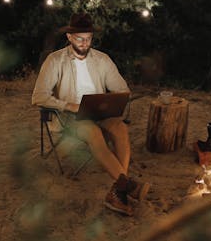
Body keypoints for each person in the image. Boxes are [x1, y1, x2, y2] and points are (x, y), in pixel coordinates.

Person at [32, 13, 149, 216]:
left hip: (98, 111)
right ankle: (128, 185)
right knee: (93, 133)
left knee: (120, 129)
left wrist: (111, 100)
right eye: (79, 38)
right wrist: (69, 105)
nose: (84, 43)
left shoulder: (102, 60)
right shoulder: (55, 60)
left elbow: (122, 89)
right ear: (69, 37)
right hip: (69, 115)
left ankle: (119, 189)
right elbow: (39, 97)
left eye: (88, 39)